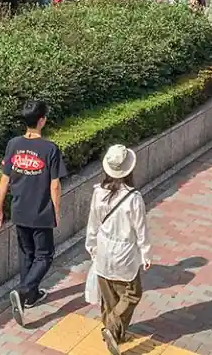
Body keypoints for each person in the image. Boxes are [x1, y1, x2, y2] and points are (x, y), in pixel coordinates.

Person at [0, 100, 67, 326]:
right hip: (40, 212)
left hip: (19, 210)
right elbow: (55, 185)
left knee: (27, 254)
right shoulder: (50, 149)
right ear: (42, 120)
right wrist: (56, 211)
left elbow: (5, 179)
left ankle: (31, 297)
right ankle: (24, 292)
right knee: (44, 255)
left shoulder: (13, 144)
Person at [85, 145, 151, 355]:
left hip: (103, 252)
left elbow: (93, 224)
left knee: (109, 297)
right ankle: (112, 328)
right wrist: (146, 253)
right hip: (125, 256)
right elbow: (141, 229)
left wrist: (91, 247)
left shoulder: (98, 192)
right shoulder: (133, 198)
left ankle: (115, 334)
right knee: (132, 294)